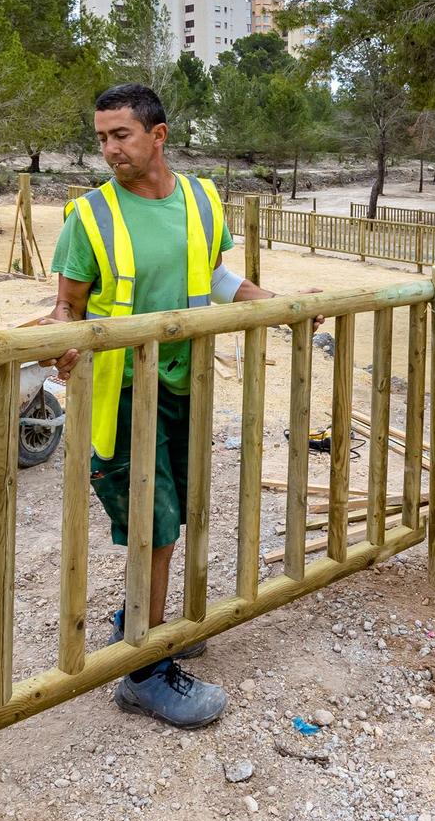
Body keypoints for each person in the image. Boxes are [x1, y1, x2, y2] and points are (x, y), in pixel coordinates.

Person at [38, 82, 298, 729]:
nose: (107, 149)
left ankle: (140, 619)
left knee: (171, 518)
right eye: (100, 137)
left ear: (158, 135)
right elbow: (68, 303)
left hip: (184, 387)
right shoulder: (90, 216)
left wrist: (284, 305)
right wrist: (62, 334)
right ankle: (143, 672)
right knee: (154, 525)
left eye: (119, 134)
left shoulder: (203, 200)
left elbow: (212, 277)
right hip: (124, 394)